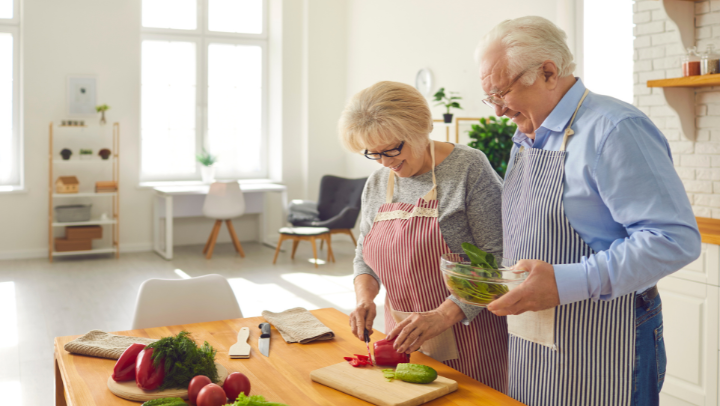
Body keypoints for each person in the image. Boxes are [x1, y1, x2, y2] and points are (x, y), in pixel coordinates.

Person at [475, 16, 701, 406]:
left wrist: (564, 283)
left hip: (609, 333)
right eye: (490, 98)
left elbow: (673, 240)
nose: (497, 112)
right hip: (537, 335)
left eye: (501, 94)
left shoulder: (615, 129)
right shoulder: (528, 135)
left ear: (547, 72)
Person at [339, 81, 508, 392]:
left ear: (421, 128)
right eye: (373, 154)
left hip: (469, 337)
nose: (386, 162)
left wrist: (442, 316)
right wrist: (365, 298)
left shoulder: (468, 168)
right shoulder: (377, 183)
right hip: (403, 340)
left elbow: (498, 260)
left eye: (392, 149)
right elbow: (365, 254)